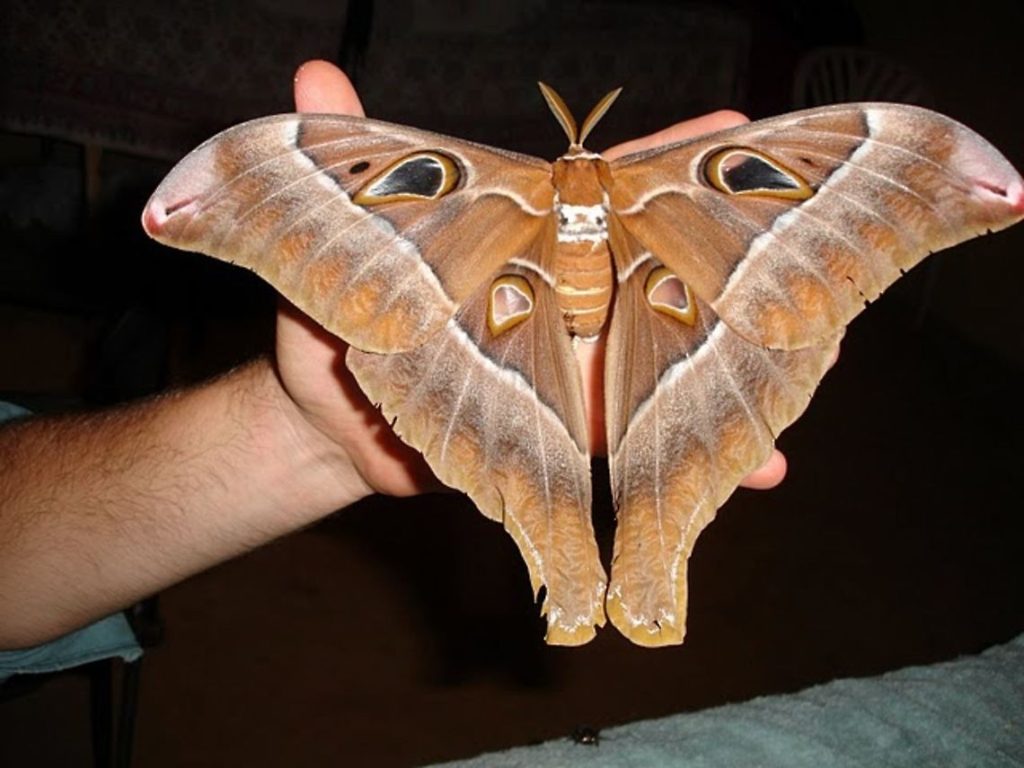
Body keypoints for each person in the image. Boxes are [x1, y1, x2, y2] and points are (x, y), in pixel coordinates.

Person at [0, 60, 787, 650]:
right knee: (551, 480)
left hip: (613, 311)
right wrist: (315, 424)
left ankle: (650, 568)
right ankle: (586, 582)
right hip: (512, 323)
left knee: (702, 421)